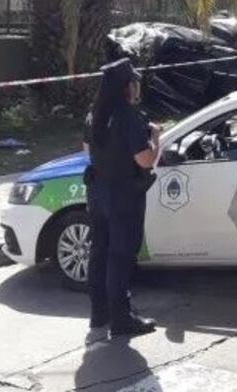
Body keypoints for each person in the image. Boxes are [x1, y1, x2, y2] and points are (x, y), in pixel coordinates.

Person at [84, 58, 160, 338]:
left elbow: (87, 149)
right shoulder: (128, 116)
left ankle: (99, 314)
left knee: (100, 253)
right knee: (121, 256)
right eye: (135, 82)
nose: (138, 87)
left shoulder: (95, 114)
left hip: (98, 191)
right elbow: (145, 160)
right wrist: (156, 138)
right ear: (128, 86)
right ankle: (121, 319)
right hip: (124, 195)